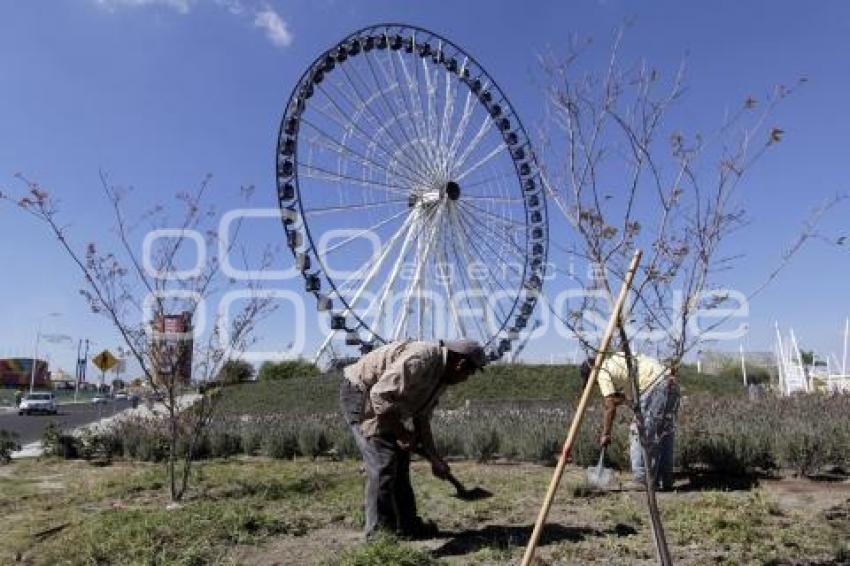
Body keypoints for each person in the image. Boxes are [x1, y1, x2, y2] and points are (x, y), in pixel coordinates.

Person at [340, 338, 487, 539]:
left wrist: (435, 459)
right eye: (470, 373)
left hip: (387, 403)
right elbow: (380, 396)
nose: (468, 378)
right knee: (383, 464)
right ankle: (379, 536)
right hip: (362, 392)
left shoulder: (442, 377)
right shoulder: (421, 358)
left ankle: (407, 527)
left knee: (400, 464)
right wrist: (401, 433)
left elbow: (421, 417)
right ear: (460, 364)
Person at [581, 350, 680, 491]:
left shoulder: (601, 372)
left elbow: (609, 405)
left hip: (654, 387)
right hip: (671, 384)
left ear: (591, 375)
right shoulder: (619, 359)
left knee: (638, 431)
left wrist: (606, 434)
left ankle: (641, 479)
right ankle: (665, 480)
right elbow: (624, 398)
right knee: (664, 434)